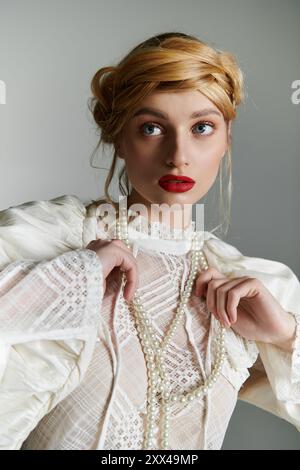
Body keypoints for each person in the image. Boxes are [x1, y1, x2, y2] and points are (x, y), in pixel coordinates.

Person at [0, 32, 299, 451]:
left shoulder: (249, 287)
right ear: (119, 137)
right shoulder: (54, 239)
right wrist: (75, 274)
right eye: (153, 127)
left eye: (202, 127)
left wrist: (286, 337)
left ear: (226, 136)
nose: (179, 153)